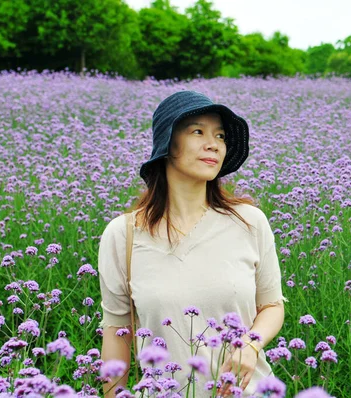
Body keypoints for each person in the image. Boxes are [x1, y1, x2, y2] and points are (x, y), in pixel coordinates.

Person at [98, 90, 288, 398]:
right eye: (197, 131)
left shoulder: (249, 221)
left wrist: (251, 345)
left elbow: (272, 306)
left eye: (221, 135)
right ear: (167, 144)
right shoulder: (124, 234)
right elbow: (116, 332)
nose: (213, 144)